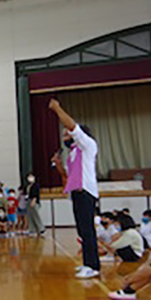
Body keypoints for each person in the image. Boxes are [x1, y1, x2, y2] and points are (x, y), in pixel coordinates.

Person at [49, 98, 100, 279]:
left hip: (86, 192)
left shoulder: (87, 145)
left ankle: (93, 266)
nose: (65, 137)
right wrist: (58, 165)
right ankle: (87, 264)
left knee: (88, 230)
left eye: (66, 134)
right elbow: (67, 176)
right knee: (82, 231)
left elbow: (72, 126)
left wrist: (57, 109)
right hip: (76, 193)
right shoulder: (72, 154)